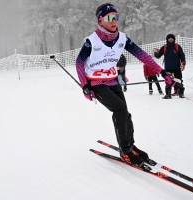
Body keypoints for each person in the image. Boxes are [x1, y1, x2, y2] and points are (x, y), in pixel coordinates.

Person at [75, 3, 175, 166]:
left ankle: (130, 145)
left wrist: (161, 72)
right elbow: (79, 62)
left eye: (116, 16)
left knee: (125, 113)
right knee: (120, 110)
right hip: (96, 82)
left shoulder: (122, 38)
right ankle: (125, 151)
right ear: (100, 21)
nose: (114, 20)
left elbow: (142, 55)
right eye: (109, 18)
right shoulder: (91, 41)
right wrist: (85, 85)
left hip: (113, 80)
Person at [154, 34, 186, 99]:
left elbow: (182, 55)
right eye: (169, 38)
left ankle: (181, 93)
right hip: (168, 67)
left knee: (179, 80)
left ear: (174, 39)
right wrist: (156, 54)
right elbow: (159, 55)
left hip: (177, 66)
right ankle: (168, 95)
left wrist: (183, 62)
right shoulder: (164, 47)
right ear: (167, 39)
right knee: (168, 81)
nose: (170, 39)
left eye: (172, 38)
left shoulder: (177, 47)